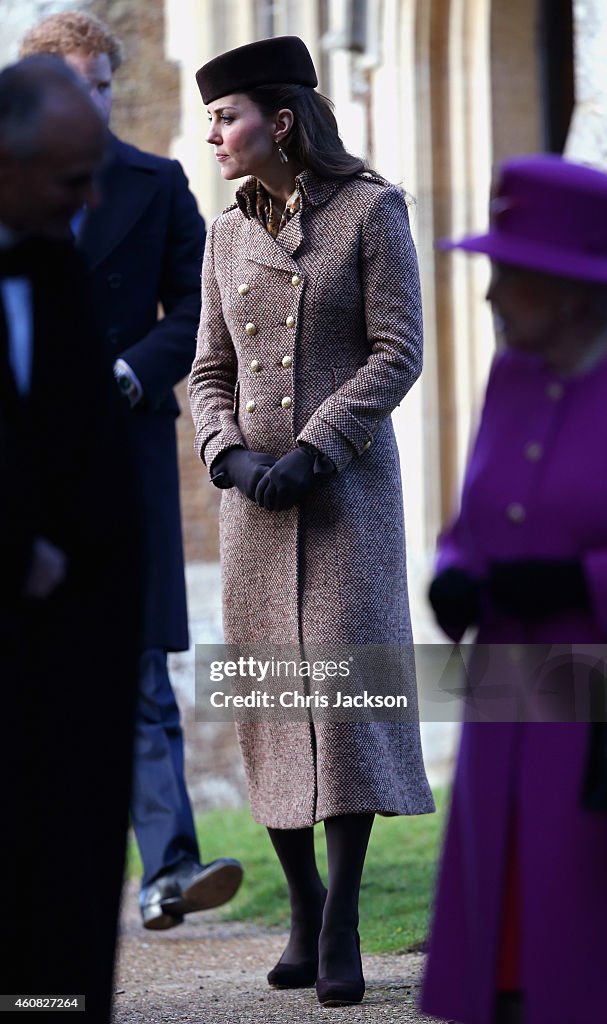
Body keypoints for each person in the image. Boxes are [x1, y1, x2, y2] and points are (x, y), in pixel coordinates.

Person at [189, 35, 434, 1008]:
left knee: (343, 703)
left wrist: (315, 447)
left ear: (279, 122)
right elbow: (208, 371)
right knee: (271, 701)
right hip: (253, 506)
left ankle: (340, 924)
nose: (213, 134)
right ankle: (303, 902)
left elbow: (397, 349)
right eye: (208, 118)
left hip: (344, 500)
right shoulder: (221, 234)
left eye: (227, 116)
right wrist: (229, 455)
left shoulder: (373, 211)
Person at [20, 11, 243, 930]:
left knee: (139, 669)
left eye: (106, 83)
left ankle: (166, 871)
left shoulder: (155, 184)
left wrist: (130, 369)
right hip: (20, 464)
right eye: (78, 85)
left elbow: (197, 304)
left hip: (124, 448)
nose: (97, 100)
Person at [421, 154, 607, 1024]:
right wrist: (453, 576)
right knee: (500, 932)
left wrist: (581, 579)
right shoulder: (510, 377)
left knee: (577, 936)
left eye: (507, 273)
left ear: (568, 286)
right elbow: (472, 523)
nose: (490, 294)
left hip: (592, 709)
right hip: (505, 695)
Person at [0, 55, 141, 1021]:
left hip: (70, 659)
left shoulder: (55, 265)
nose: (90, 201)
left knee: (59, 922)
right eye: (69, 179)